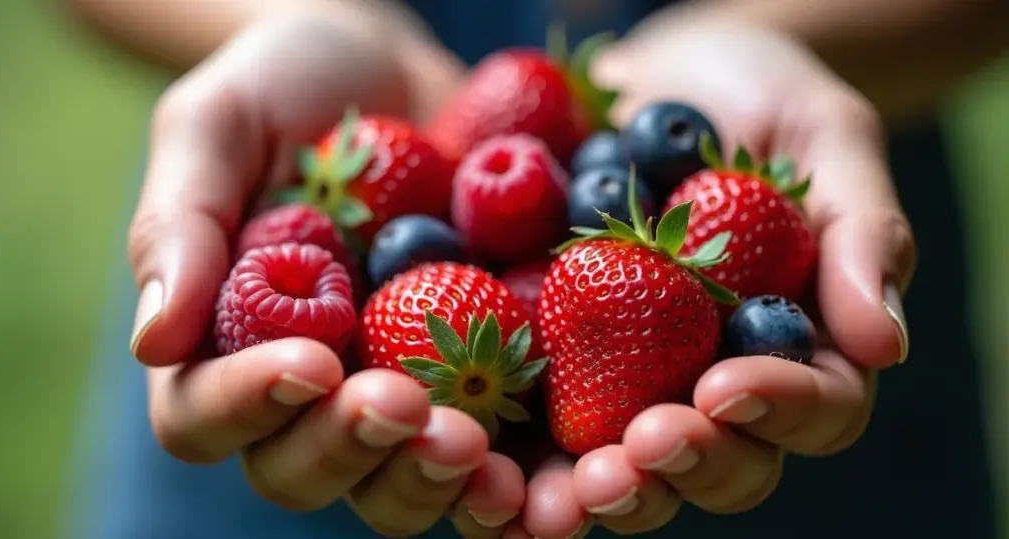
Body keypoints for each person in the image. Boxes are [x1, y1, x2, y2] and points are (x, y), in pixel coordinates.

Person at [64, 0, 1008, 538]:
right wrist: (283, 18)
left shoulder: (694, 244)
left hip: (818, 443)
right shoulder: (335, 257)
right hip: (295, 414)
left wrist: (797, 36)